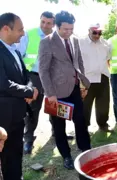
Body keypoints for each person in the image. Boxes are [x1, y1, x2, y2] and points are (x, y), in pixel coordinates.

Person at [38, 10, 91, 170]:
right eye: (65, 29)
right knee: (59, 127)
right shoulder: (47, 42)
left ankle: (85, 150)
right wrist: (50, 94)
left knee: (81, 121)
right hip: (57, 94)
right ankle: (66, 156)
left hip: (75, 89)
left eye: (71, 29)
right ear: (57, 26)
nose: (69, 32)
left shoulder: (74, 40)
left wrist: (82, 84)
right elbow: (43, 70)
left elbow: (79, 62)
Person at [0, 12, 38, 180]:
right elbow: (3, 83)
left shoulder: (14, 50)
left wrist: (30, 88)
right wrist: (29, 92)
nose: (23, 33)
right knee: (5, 154)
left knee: (15, 151)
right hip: (3, 116)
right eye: (20, 29)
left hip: (17, 113)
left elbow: (26, 75)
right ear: (6, 29)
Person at [16, 11, 55, 155]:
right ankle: (28, 139)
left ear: (53, 24)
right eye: (43, 22)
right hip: (34, 76)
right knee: (33, 108)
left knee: (54, 106)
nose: (45, 25)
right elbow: (19, 55)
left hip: (51, 77)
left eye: (48, 23)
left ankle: (56, 133)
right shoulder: (29, 34)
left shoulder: (56, 37)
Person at [79, 23, 111, 131]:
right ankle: (84, 126)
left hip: (103, 76)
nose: (97, 35)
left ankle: (103, 124)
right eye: (94, 32)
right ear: (89, 31)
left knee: (103, 102)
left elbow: (108, 58)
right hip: (87, 78)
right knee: (85, 104)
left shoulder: (106, 44)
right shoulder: (81, 43)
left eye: (99, 33)